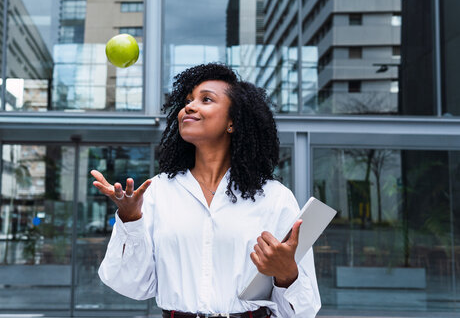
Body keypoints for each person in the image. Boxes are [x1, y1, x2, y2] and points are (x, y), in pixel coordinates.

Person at [91, 63, 321, 318]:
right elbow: (131, 284)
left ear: (232, 122)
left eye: (206, 99)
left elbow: (303, 311)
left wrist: (287, 274)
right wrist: (130, 220)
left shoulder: (274, 198)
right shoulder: (157, 192)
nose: (188, 106)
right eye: (188, 100)